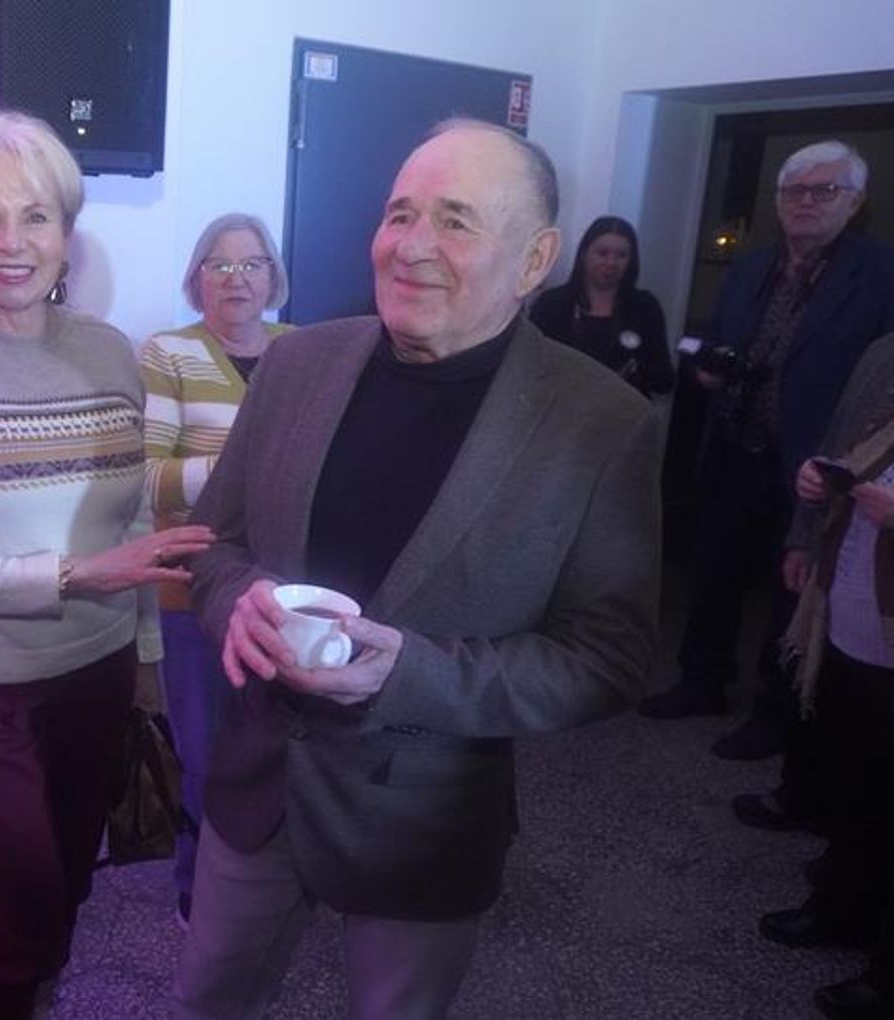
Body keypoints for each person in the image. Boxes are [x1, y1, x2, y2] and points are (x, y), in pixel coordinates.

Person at [174, 119, 661, 1020]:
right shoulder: (295, 363)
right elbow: (215, 547)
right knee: (209, 998)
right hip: (258, 780)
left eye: (455, 220)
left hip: (423, 817)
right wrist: (236, 600)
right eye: (400, 214)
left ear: (535, 258)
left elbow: (607, 659)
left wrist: (410, 673)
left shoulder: (600, 423)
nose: (411, 245)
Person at [0, 109, 212, 1019]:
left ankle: (35, 989)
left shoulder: (108, 352)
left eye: (35, 216)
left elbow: (135, 520)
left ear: (66, 235)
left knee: (70, 879)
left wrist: (144, 655)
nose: (10, 241)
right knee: (17, 900)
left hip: (97, 666)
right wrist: (73, 576)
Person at [640, 141, 894, 767]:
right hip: (736, 448)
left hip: (813, 464)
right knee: (713, 570)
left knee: (791, 591)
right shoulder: (753, 267)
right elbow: (714, 339)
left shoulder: (884, 275)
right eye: (794, 191)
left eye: (824, 191)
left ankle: (776, 711)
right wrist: (707, 369)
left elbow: (889, 380)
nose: (806, 202)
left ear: (855, 202)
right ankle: (702, 680)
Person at [766, 228, 894, 1020]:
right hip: (856, 627)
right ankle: (843, 910)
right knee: (859, 786)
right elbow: (852, 450)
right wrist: (819, 490)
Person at [138, 212, 293, 928]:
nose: (238, 279)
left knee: (280, 752)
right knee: (205, 757)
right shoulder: (169, 353)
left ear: (274, 277)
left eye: (253, 263)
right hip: (193, 590)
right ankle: (198, 889)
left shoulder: (302, 349)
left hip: (286, 592)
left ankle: (269, 881)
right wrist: (248, 465)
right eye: (220, 264)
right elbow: (149, 479)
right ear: (197, 277)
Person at [529, 214, 673, 395]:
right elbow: (529, 366)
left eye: (621, 255)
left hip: (625, 409)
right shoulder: (551, 304)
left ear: (631, 261)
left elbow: (664, 379)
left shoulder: (645, 307)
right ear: (584, 254)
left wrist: (632, 375)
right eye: (602, 253)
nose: (611, 263)